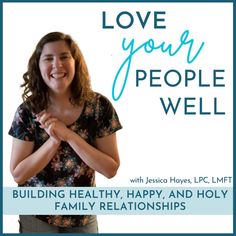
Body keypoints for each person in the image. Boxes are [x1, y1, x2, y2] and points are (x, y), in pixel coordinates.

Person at [8, 32, 122, 233]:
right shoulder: (27, 111)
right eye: (48, 58)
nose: (57, 65)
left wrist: (69, 135)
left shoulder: (99, 107)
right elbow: (18, 174)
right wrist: (53, 141)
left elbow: (110, 169)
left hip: (83, 217)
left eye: (64, 57)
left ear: (75, 62)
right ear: (38, 66)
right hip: (36, 216)